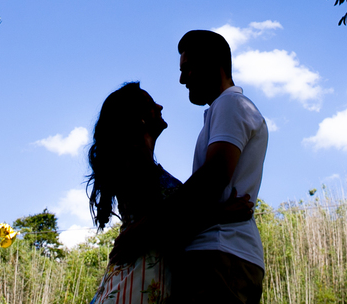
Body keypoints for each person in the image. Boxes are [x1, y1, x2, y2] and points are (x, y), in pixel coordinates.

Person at [87, 82, 252, 304]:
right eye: (150, 103)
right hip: (137, 281)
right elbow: (164, 225)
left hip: (143, 279)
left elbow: (163, 219)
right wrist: (222, 214)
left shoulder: (141, 164)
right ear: (141, 118)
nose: (160, 106)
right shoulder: (134, 163)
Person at [175, 29, 268, 304]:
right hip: (221, 253)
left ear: (213, 65)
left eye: (187, 68)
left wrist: (149, 227)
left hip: (220, 254)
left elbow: (212, 179)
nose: (182, 79)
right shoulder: (222, 108)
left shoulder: (231, 103)